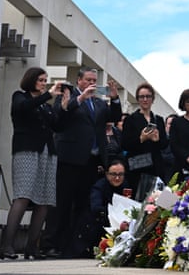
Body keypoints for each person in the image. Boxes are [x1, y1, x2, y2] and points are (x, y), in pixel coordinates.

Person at [43, 67, 121, 258]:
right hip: (69, 158)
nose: (92, 83)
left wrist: (115, 98)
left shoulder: (99, 103)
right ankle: (50, 244)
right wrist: (80, 99)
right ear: (79, 80)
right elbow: (58, 118)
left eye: (94, 80)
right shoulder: (69, 97)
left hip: (92, 160)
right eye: (88, 79)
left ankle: (74, 245)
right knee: (61, 203)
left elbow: (115, 117)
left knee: (83, 204)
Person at [0, 68, 63, 260]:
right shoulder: (20, 96)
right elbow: (23, 108)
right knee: (23, 195)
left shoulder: (46, 105)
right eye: (41, 80)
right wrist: (47, 96)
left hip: (47, 152)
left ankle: (31, 247)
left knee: (44, 200)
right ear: (31, 80)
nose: (44, 83)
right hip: (26, 150)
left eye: (45, 80)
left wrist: (63, 105)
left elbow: (57, 126)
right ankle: (7, 246)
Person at [121, 82, 169, 193]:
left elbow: (164, 144)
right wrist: (141, 139)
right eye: (142, 97)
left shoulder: (158, 119)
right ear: (138, 99)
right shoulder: (130, 119)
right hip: (138, 168)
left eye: (148, 96)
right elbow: (124, 144)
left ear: (153, 99)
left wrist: (157, 140)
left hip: (156, 167)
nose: (145, 99)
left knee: (156, 201)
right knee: (139, 203)